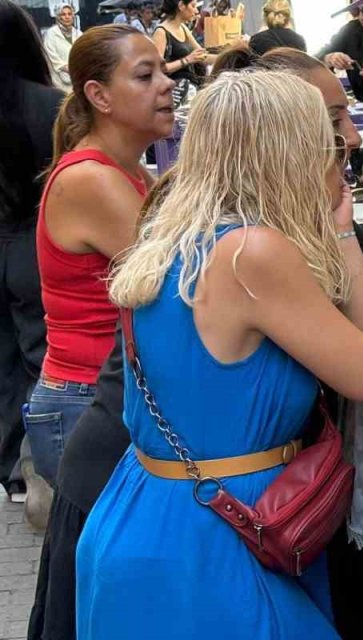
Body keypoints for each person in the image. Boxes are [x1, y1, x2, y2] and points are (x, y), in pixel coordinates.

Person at [27, 44, 363, 640]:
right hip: (212, 543)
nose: (343, 148)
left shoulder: (186, 232)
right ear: (288, 149)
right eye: (324, 139)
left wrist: (340, 231)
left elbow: (357, 327)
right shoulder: (250, 252)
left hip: (163, 520)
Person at [24, 24, 173, 495]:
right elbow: (182, 275)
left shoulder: (131, 172)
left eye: (165, 72)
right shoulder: (93, 179)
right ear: (99, 96)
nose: (167, 85)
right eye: (146, 76)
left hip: (103, 395)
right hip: (85, 400)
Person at [0, 0, 60, 513]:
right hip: (35, 243)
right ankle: (41, 465)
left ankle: (11, 473)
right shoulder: (50, 106)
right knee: (42, 355)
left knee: (2, 361)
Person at [153, 0, 208, 88]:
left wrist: (228, 54)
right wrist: (187, 60)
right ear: (181, 6)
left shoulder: (183, 28)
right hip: (174, 93)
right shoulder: (161, 32)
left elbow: (203, 56)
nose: (196, 11)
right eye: (193, 6)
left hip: (189, 88)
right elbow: (157, 68)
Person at [43, 3, 81, 91]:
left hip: (77, 80)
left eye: (69, 14)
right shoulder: (51, 34)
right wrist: (68, 68)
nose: (67, 17)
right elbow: (52, 57)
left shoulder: (79, 34)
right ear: (58, 17)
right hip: (59, 83)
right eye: (63, 14)